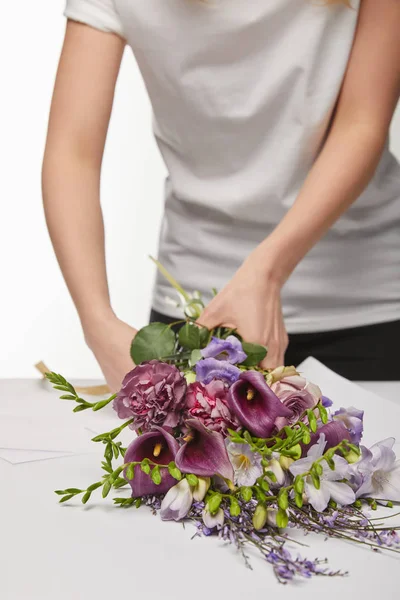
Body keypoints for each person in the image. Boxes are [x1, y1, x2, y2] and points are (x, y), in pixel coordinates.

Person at [42, 0, 400, 389]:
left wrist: (268, 271)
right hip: (193, 318)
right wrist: (98, 323)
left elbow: (362, 124)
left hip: (364, 309)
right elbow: (72, 153)